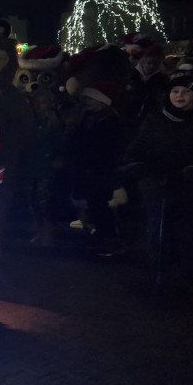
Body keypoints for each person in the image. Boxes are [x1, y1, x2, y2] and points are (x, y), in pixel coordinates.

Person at [122, 73, 193, 293]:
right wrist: (138, 165)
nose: (180, 95)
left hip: (190, 185)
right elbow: (138, 147)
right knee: (157, 228)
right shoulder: (155, 118)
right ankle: (158, 271)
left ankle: (189, 274)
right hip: (156, 183)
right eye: (175, 91)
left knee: (189, 230)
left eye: (185, 91)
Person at [66, 81, 126, 256]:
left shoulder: (110, 121)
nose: (88, 102)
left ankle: (110, 239)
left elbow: (110, 147)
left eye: (91, 99)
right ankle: (101, 236)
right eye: (87, 99)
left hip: (101, 169)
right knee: (94, 204)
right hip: (87, 168)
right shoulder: (86, 117)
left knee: (101, 205)